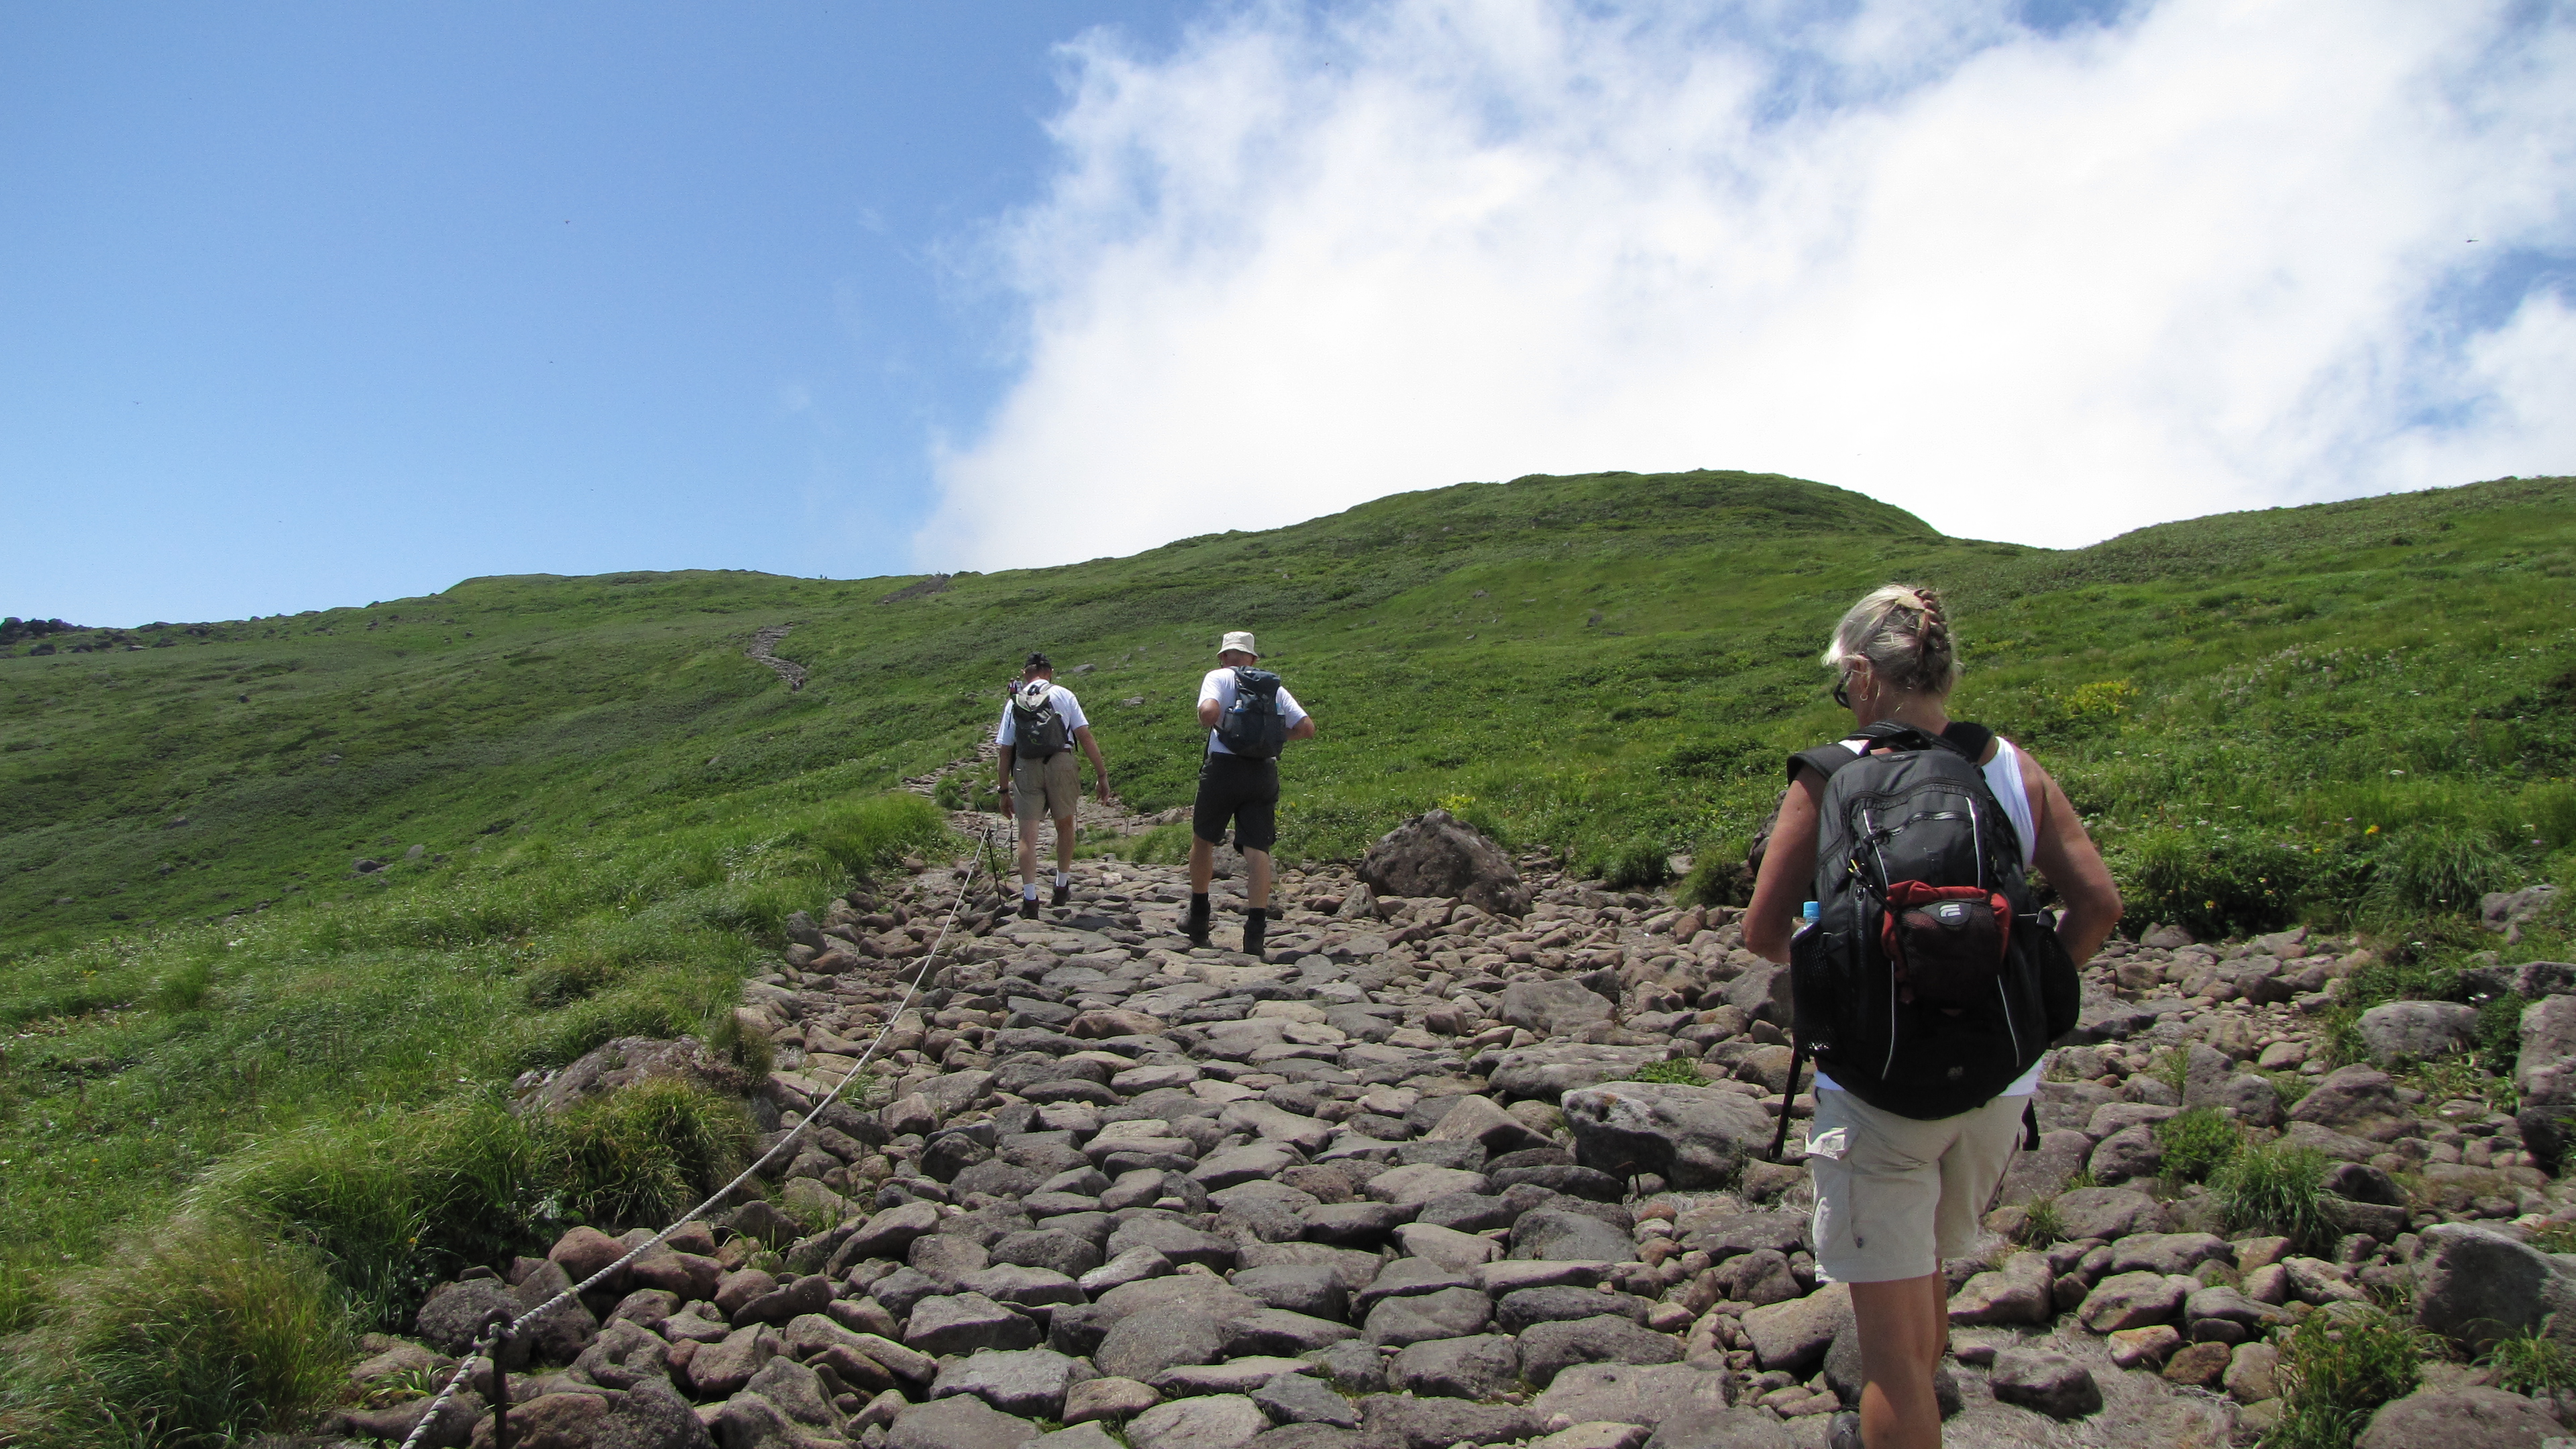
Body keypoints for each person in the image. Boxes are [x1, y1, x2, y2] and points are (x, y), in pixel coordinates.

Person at [1743, 586, 2121, 1449]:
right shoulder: (2008, 766)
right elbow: (2099, 905)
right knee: (1930, 1273)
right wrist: (2027, 993)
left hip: (1877, 1086)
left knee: (1889, 1360)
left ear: (1864, 674)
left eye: (1843, 685)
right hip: (1997, 1080)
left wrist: (1853, 975)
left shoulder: (1831, 773)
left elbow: (1764, 934)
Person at [1187, 630, 1316, 954]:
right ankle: (1255, 934)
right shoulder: (1273, 686)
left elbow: (1208, 713)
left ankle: (1199, 919)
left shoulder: (1217, 677)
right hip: (1262, 772)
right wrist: (1270, 738)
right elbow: (1306, 728)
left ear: (1223, 657)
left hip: (1223, 769)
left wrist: (1218, 724)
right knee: (1258, 849)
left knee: (1203, 840)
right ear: (1253, 659)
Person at [995, 651, 1113, 918]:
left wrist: (1003, 791)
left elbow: (1005, 750)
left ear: (1025, 674)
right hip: (1062, 761)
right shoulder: (1064, 694)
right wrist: (1102, 775)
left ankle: (1030, 899)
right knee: (1065, 825)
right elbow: (1084, 735)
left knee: (1027, 835)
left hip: (1026, 766)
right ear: (1049, 673)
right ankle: (1061, 886)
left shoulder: (1015, 701)